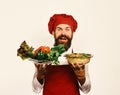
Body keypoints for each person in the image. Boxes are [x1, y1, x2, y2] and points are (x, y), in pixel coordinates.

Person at [32, 14, 91, 95]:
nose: (63, 33)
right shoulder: (45, 56)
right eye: (59, 29)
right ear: (53, 32)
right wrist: (40, 76)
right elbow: (36, 89)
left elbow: (86, 90)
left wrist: (81, 77)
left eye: (67, 29)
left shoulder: (79, 57)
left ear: (73, 32)